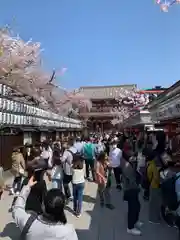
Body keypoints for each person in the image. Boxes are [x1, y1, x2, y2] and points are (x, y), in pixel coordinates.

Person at [12, 176, 78, 240]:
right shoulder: (68, 231)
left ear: (43, 206)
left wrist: (27, 187)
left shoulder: (28, 223)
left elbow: (17, 208)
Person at [121, 152, 142, 236]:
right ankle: (130, 228)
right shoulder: (127, 167)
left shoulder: (130, 165)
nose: (134, 159)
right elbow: (132, 180)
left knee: (137, 206)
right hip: (131, 190)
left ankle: (135, 221)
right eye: (132, 157)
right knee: (133, 209)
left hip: (133, 189)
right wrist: (138, 187)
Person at [147, 151, 161, 224]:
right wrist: (160, 183)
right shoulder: (153, 166)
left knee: (153, 202)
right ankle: (153, 219)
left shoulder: (151, 164)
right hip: (155, 186)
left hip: (152, 185)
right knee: (154, 203)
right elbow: (156, 178)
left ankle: (154, 217)